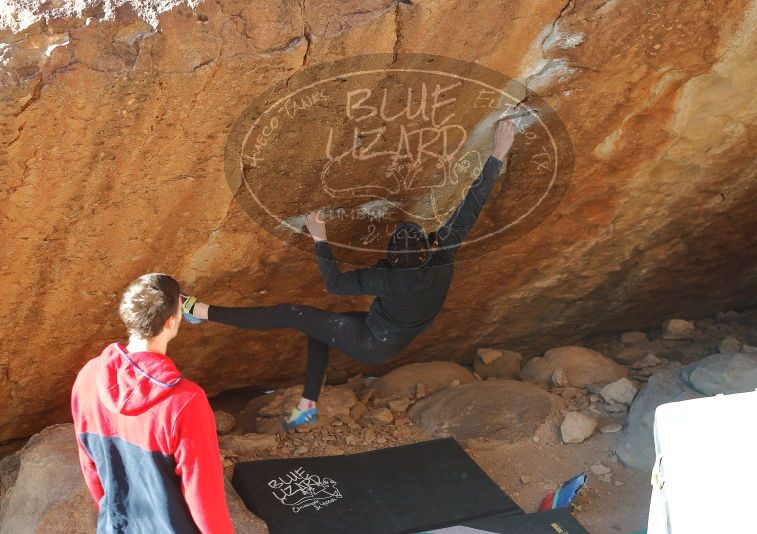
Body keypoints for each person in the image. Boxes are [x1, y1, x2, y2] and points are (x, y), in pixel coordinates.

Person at [181, 118, 517, 431]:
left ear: (391, 259)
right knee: (319, 327)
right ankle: (308, 403)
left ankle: (199, 311)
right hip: (389, 335)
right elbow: (471, 206)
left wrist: (319, 238)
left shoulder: (388, 278)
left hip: (372, 342)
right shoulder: (442, 256)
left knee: (293, 314)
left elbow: (335, 283)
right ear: (427, 250)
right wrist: (499, 152)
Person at [71, 273, 235, 534]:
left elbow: (90, 465)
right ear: (171, 322)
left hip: (116, 526)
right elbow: (203, 494)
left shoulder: (88, 376)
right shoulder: (185, 401)